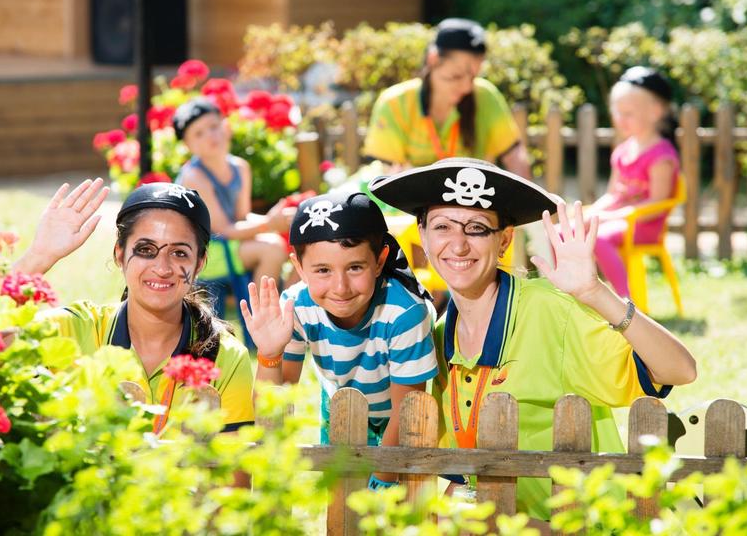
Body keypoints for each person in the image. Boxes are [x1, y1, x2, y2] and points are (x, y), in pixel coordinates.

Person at [368, 158, 696, 520]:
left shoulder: (550, 312)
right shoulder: (444, 333)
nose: (458, 246)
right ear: (424, 236)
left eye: (476, 228)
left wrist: (595, 293)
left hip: (576, 523)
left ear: (505, 240)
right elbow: (461, 470)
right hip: (502, 523)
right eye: (443, 226)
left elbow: (679, 370)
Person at [7, 178, 255, 435]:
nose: (162, 268)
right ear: (119, 254)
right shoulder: (74, 330)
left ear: (200, 262)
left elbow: (234, 473)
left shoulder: (226, 356)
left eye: (179, 253)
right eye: (146, 249)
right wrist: (38, 256)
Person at [239, 192, 438, 489]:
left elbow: (406, 409)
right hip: (342, 410)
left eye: (355, 267)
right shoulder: (296, 306)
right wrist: (269, 354)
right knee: (342, 510)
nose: (340, 287)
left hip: (400, 425)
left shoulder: (405, 313)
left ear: (380, 260)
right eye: (322, 271)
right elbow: (278, 400)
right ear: (299, 267)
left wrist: (384, 477)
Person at [362, 18, 531, 179]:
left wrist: (530, 204)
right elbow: (385, 173)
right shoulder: (395, 103)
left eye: (473, 78)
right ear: (433, 60)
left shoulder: (486, 96)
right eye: (455, 76)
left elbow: (515, 156)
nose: (466, 87)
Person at [174, 98, 293, 286]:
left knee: (290, 244)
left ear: (226, 127)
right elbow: (224, 230)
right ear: (188, 146)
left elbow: (241, 216)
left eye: (214, 126)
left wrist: (278, 220)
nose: (209, 136)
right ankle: (261, 313)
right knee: (273, 249)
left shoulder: (240, 167)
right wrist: (268, 224)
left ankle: (287, 305)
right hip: (204, 252)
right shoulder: (195, 176)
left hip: (228, 244)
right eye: (198, 134)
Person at [587, 66, 681, 298]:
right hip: (619, 221)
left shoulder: (660, 155)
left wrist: (612, 216)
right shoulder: (623, 151)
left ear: (655, 112)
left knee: (598, 236)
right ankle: (570, 296)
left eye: (628, 113)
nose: (621, 119)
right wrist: (590, 212)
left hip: (643, 226)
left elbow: (657, 202)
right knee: (563, 231)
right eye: (617, 112)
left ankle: (625, 302)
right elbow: (613, 195)